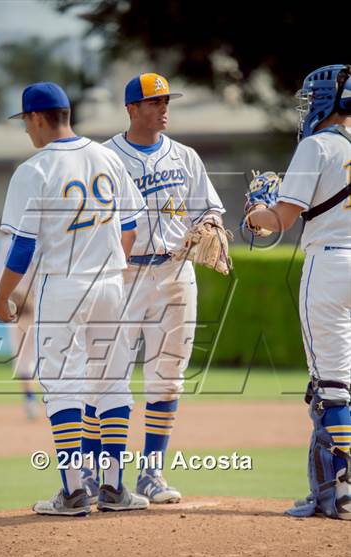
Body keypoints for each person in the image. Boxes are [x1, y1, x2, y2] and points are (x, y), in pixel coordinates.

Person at [0, 81, 148, 516]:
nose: (27, 130)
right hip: (111, 283)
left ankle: (74, 493)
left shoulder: (34, 169)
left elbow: (22, 248)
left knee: (63, 388)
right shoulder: (107, 157)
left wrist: (1, 296)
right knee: (113, 383)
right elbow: (130, 227)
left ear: (37, 118)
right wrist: (113, 266)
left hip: (64, 285)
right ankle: (115, 490)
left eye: (26, 121)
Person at [81, 73, 228, 504]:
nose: (164, 109)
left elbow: (211, 208)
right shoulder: (104, 158)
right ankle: (96, 474)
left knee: (168, 380)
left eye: (167, 101)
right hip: (119, 277)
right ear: (131, 109)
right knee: (105, 378)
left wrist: (210, 225)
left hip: (174, 272)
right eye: (154, 102)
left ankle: (152, 475)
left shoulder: (184, 156)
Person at [245, 64, 351, 520]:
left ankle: (339, 493)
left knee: (331, 385)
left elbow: (279, 221)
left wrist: (255, 207)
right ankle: (332, 488)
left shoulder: (316, 145)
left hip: (329, 263)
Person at [0, 234, 39, 420]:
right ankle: (32, 399)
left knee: (27, 354)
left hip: (33, 298)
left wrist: (4, 298)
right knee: (28, 354)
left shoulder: (7, 242)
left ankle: (33, 400)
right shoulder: (42, 234)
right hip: (33, 298)